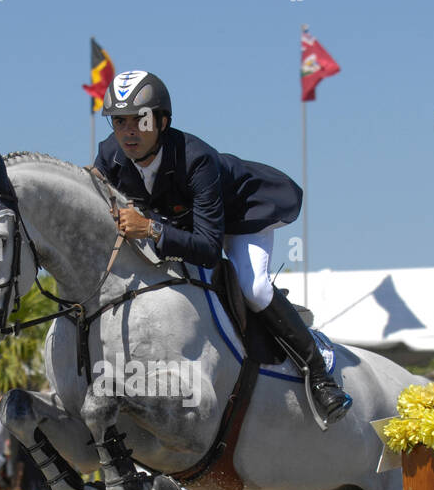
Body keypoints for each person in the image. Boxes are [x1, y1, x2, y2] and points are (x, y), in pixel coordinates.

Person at [94, 70, 351, 425]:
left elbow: (209, 248)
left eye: (140, 119)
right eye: (119, 122)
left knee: (254, 287)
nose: (127, 132)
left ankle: (320, 375)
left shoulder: (196, 158)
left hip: (241, 215)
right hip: (184, 221)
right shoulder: (111, 154)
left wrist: (151, 229)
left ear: (163, 121)